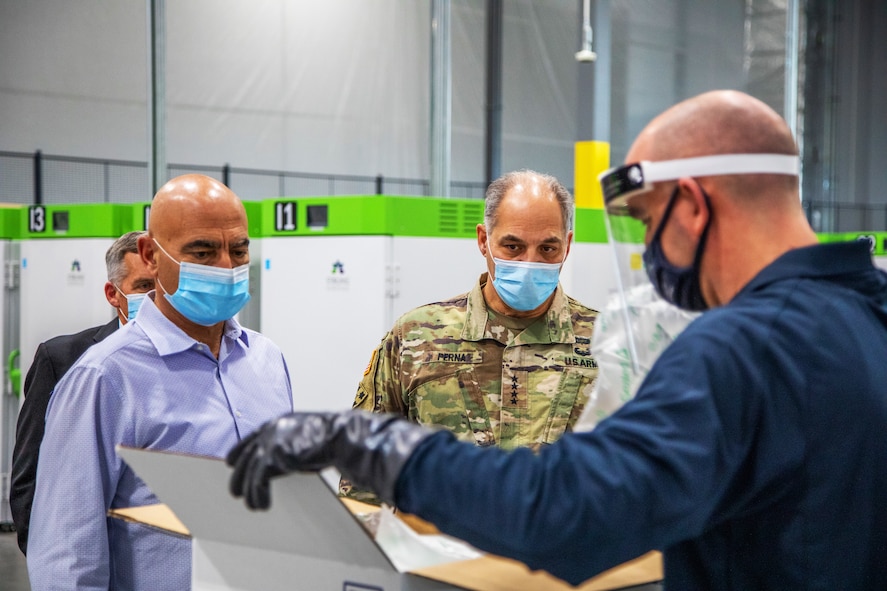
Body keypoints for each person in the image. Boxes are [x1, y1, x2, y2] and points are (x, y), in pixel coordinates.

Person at [227, 90, 887, 589]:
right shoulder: (866, 312)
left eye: (646, 219)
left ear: (691, 203)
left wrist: (367, 439)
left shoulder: (740, 346)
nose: (650, 250)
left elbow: (567, 511)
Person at [27, 174, 294, 591]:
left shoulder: (266, 361)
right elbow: (66, 556)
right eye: (203, 252)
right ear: (151, 255)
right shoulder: (104, 378)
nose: (226, 267)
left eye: (238, 250)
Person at [342, 171, 598, 500]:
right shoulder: (416, 338)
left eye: (548, 249)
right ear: (483, 240)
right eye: (513, 246)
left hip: (563, 549)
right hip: (443, 548)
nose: (529, 262)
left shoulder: (605, 344)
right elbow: (365, 469)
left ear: (568, 245)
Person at [10, 230, 154, 555]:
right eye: (144, 287)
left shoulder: (191, 359)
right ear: (113, 294)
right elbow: (28, 476)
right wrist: (47, 559)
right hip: (85, 554)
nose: (158, 298)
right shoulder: (63, 359)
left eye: (164, 286)